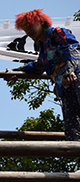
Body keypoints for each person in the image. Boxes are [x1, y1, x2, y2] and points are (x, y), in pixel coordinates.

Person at [6, 9, 80, 141]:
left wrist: (69, 70)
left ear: (40, 22)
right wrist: (16, 71)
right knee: (73, 132)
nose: (28, 31)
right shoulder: (43, 48)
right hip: (65, 89)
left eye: (29, 26)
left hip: (76, 79)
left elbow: (73, 48)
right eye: (25, 29)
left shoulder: (57, 33)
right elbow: (38, 66)